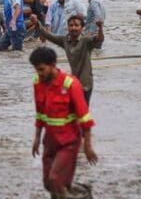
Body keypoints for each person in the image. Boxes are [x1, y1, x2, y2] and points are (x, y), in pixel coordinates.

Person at [29, 47, 97, 198]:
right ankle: (79, 192)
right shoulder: (37, 83)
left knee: (55, 179)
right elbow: (40, 113)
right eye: (36, 70)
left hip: (69, 142)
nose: (39, 74)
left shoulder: (70, 84)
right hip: (50, 141)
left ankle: (82, 194)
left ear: (53, 64)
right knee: (49, 183)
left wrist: (88, 146)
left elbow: (85, 118)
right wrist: (36, 138)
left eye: (41, 69)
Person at [38, 17, 104, 105]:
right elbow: (50, 36)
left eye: (76, 25)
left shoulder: (86, 41)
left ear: (82, 28)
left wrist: (100, 27)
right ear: (67, 27)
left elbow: (99, 39)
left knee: (82, 112)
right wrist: (37, 24)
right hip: (73, 83)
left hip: (85, 84)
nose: (73, 28)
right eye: (71, 25)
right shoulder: (65, 40)